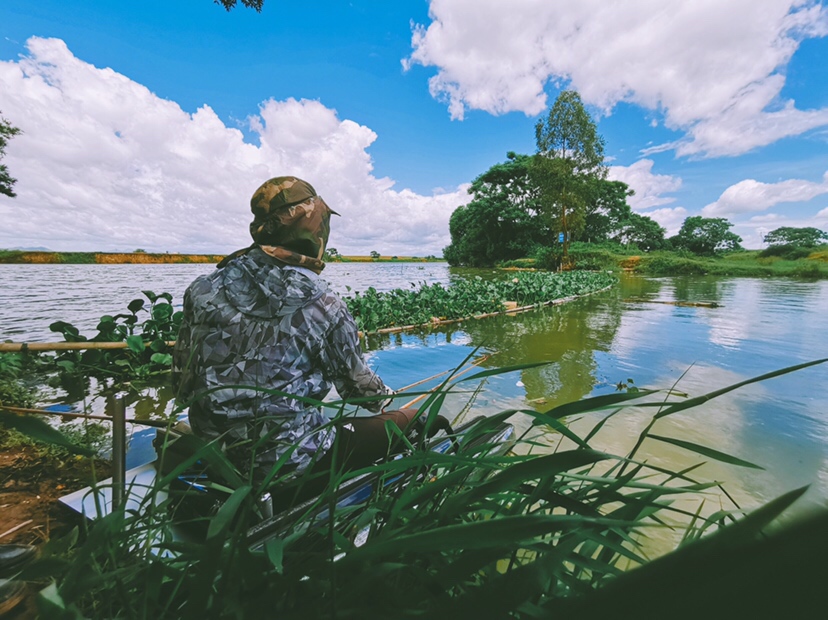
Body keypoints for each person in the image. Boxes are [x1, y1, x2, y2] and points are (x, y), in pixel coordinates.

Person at [172, 176, 418, 493]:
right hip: (288, 463)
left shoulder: (202, 288)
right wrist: (387, 398)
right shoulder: (323, 302)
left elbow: (183, 383)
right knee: (413, 420)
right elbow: (361, 394)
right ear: (314, 229)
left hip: (213, 452)